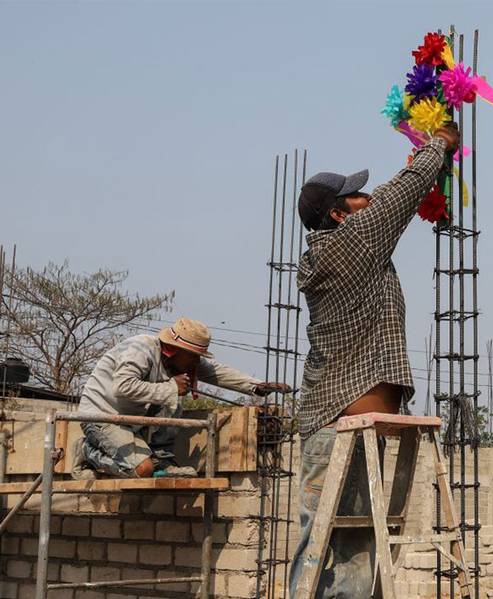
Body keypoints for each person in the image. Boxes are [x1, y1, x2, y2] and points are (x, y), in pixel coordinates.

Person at [289, 123, 461, 597]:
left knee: (352, 553)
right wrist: (439, 144)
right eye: (356, 196)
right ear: (339, 214)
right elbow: (401, 192)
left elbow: (392, 194)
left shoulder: (346, 245)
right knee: (329, 555)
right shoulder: (352, 242)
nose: (366, 198)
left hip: (348, 427)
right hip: (337, 424)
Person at [73, 317, 289, 479]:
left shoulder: (182, 360)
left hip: (131, 419)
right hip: (102, 416)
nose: (196, 361)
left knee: (175, 395)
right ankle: (87, 451)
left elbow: (215, 372)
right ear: (175, 349)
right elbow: (122, 387)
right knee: (142, 470)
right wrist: (170, 387)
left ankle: (162, 460)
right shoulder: (140, 349)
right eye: (194, 356)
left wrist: (256, 386)